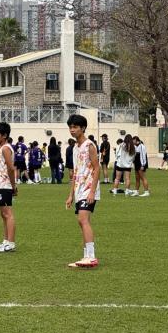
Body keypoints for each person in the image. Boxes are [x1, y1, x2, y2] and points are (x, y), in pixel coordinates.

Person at [65, 114, 100, 268]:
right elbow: (76, 172)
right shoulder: (75, 148)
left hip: (88, 189)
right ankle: (86, 256)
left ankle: (91, 257)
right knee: (83, 222)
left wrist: (92, 191)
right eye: (70, 127)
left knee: (82, 219)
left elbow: (97, 168)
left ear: (83, 128)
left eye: (75, 127)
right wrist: (70, 195)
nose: (72, 130)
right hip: (79, 189)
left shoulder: (89, 145)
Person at [0, 122, 18, 253]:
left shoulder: (6, 148)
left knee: (8, 214)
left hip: (5, 185)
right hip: (0, 184)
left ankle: (11, 243)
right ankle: (5, 241)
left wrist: (13, 186)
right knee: (3, 214)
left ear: (5, 135)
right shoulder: (1, 148)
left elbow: (11, 168)